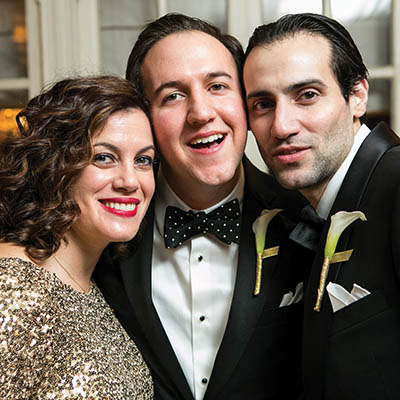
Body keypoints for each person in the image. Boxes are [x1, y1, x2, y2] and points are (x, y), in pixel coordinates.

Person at [95, 12, 305, 400]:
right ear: (144, 117)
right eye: (172, 95)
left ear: (244, 99)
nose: (201, 113)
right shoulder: (103, 235)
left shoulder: (304, 220)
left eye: (217, 86)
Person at [243, 12, 400, 400]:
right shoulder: (304, 210)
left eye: (307, 96)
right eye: (263, 104)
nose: (282, 126)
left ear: (357, 96)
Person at [0, 75, 156, 399]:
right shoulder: (13, 292)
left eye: (143, 160)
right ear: (55, 166)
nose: (130, 180)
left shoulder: (89, 282)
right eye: (104, 157)